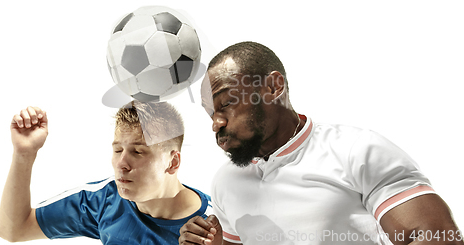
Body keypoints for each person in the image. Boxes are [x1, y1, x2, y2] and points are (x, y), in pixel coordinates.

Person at [179, 41, 462, 245]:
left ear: (273, 87)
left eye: (226, 103)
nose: (216, 123)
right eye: (210, 113)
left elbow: (436, 235)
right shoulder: (226, 181)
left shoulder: (356, 150)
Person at [0, 101, 212, 244]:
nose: (121, 163)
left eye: (138, 152)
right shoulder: (104, 199)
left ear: (173, 162)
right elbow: (14, 229)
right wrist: (24, 154)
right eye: (118, 150)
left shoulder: (216, 223)